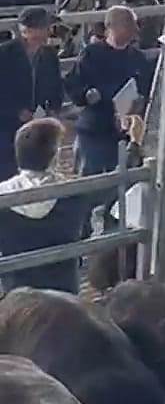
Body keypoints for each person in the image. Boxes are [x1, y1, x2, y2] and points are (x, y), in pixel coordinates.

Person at [0, 118, 88, 295]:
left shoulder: (3, 195)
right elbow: (85, 233)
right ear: (54, 155)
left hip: (17, 292)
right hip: (64, 290)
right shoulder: (75, 192)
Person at [65, 6, 152, 178]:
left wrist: (139, 104)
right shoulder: (92, 54)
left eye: (133, 25)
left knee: (124, 182)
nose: (134, 30)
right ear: (111, 27)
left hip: (124, 131)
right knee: (88, 181)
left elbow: (145, 88)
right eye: (128, 25)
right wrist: (86, 95)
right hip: (94, 130)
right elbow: (72, 84)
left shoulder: (137, 58)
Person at [0, 6, 64, 181]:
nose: (48, 32)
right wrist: (15, 111)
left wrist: (53, 110)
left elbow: (57, 89)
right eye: (43, 28)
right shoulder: (4, 55)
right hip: (6, 130)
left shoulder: (50, 56)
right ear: (25, 31)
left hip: (38, 130)